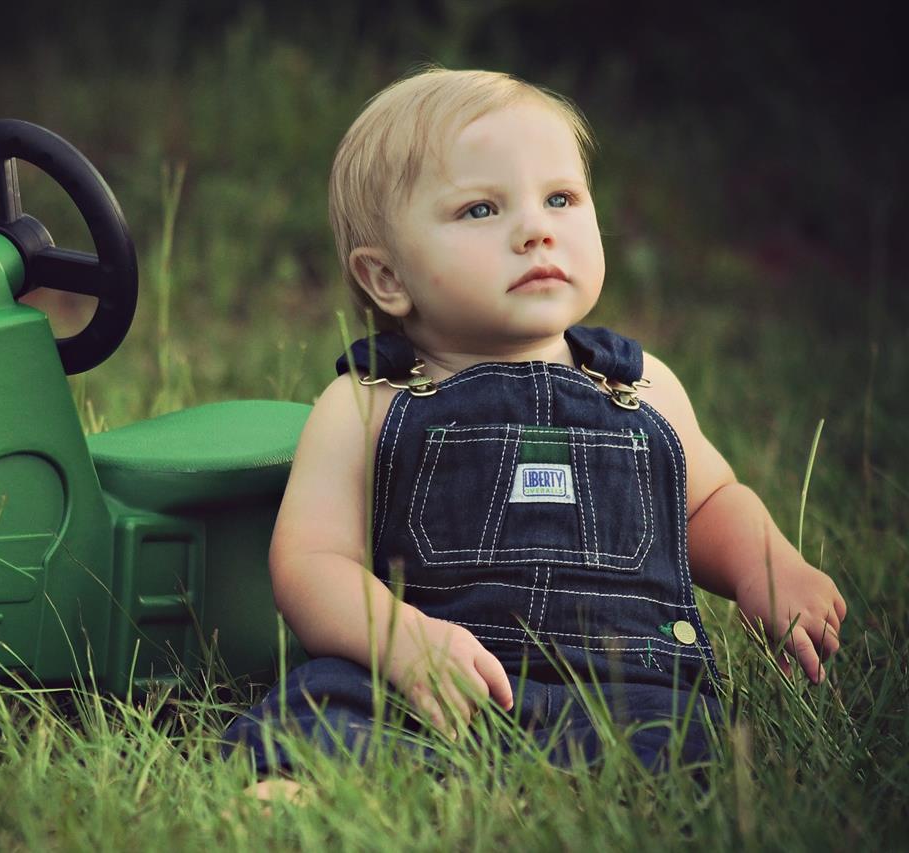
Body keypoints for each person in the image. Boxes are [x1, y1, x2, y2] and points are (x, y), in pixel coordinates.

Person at [222, 67, 847, 794]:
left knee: (692, 744)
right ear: (386, 277)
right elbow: (310, 561)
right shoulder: (369, 401)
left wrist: (765, 568)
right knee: (325, 706)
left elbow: (707, 503)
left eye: (560, 198)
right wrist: (401, 641)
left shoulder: (638, 386)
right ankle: (307, 788)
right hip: (426, 679)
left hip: (625, 684)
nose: (536, 229)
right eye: (482, 210)